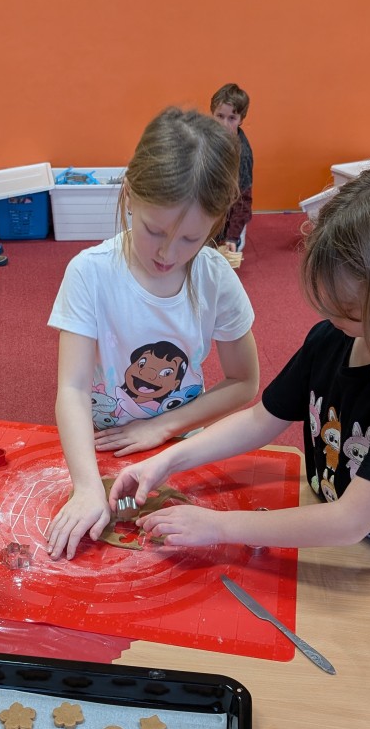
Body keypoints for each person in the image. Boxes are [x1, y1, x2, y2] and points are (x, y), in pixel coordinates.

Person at [109, 164, 370, 607]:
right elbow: (260, 420)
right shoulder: (335, 338)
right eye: (331, 307)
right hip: (350, 548)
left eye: (352, 312)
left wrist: (217, 526)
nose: (334, 320)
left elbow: (349, 521)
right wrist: (167, 461)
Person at [45, 106, 260, 560]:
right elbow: (73, 387)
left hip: (179, 448)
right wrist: (85, 486)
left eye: (190, 239)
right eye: (154, 231)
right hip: (102, 446)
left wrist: (162, 426)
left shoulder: (216, 278)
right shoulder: (89, 273)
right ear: (129, 196)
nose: (167, 253)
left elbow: (245, 381)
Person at [209, 83, 253, 253]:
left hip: (231, 211)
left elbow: (243, 200)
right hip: (212, 205)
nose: (224, 124)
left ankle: (235, 235)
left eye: (232, 118)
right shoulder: (205, 138)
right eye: (220, 116)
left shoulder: (243, 156)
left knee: (228, 252)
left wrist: (232, 237)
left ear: (241, 119)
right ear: (212, 114)